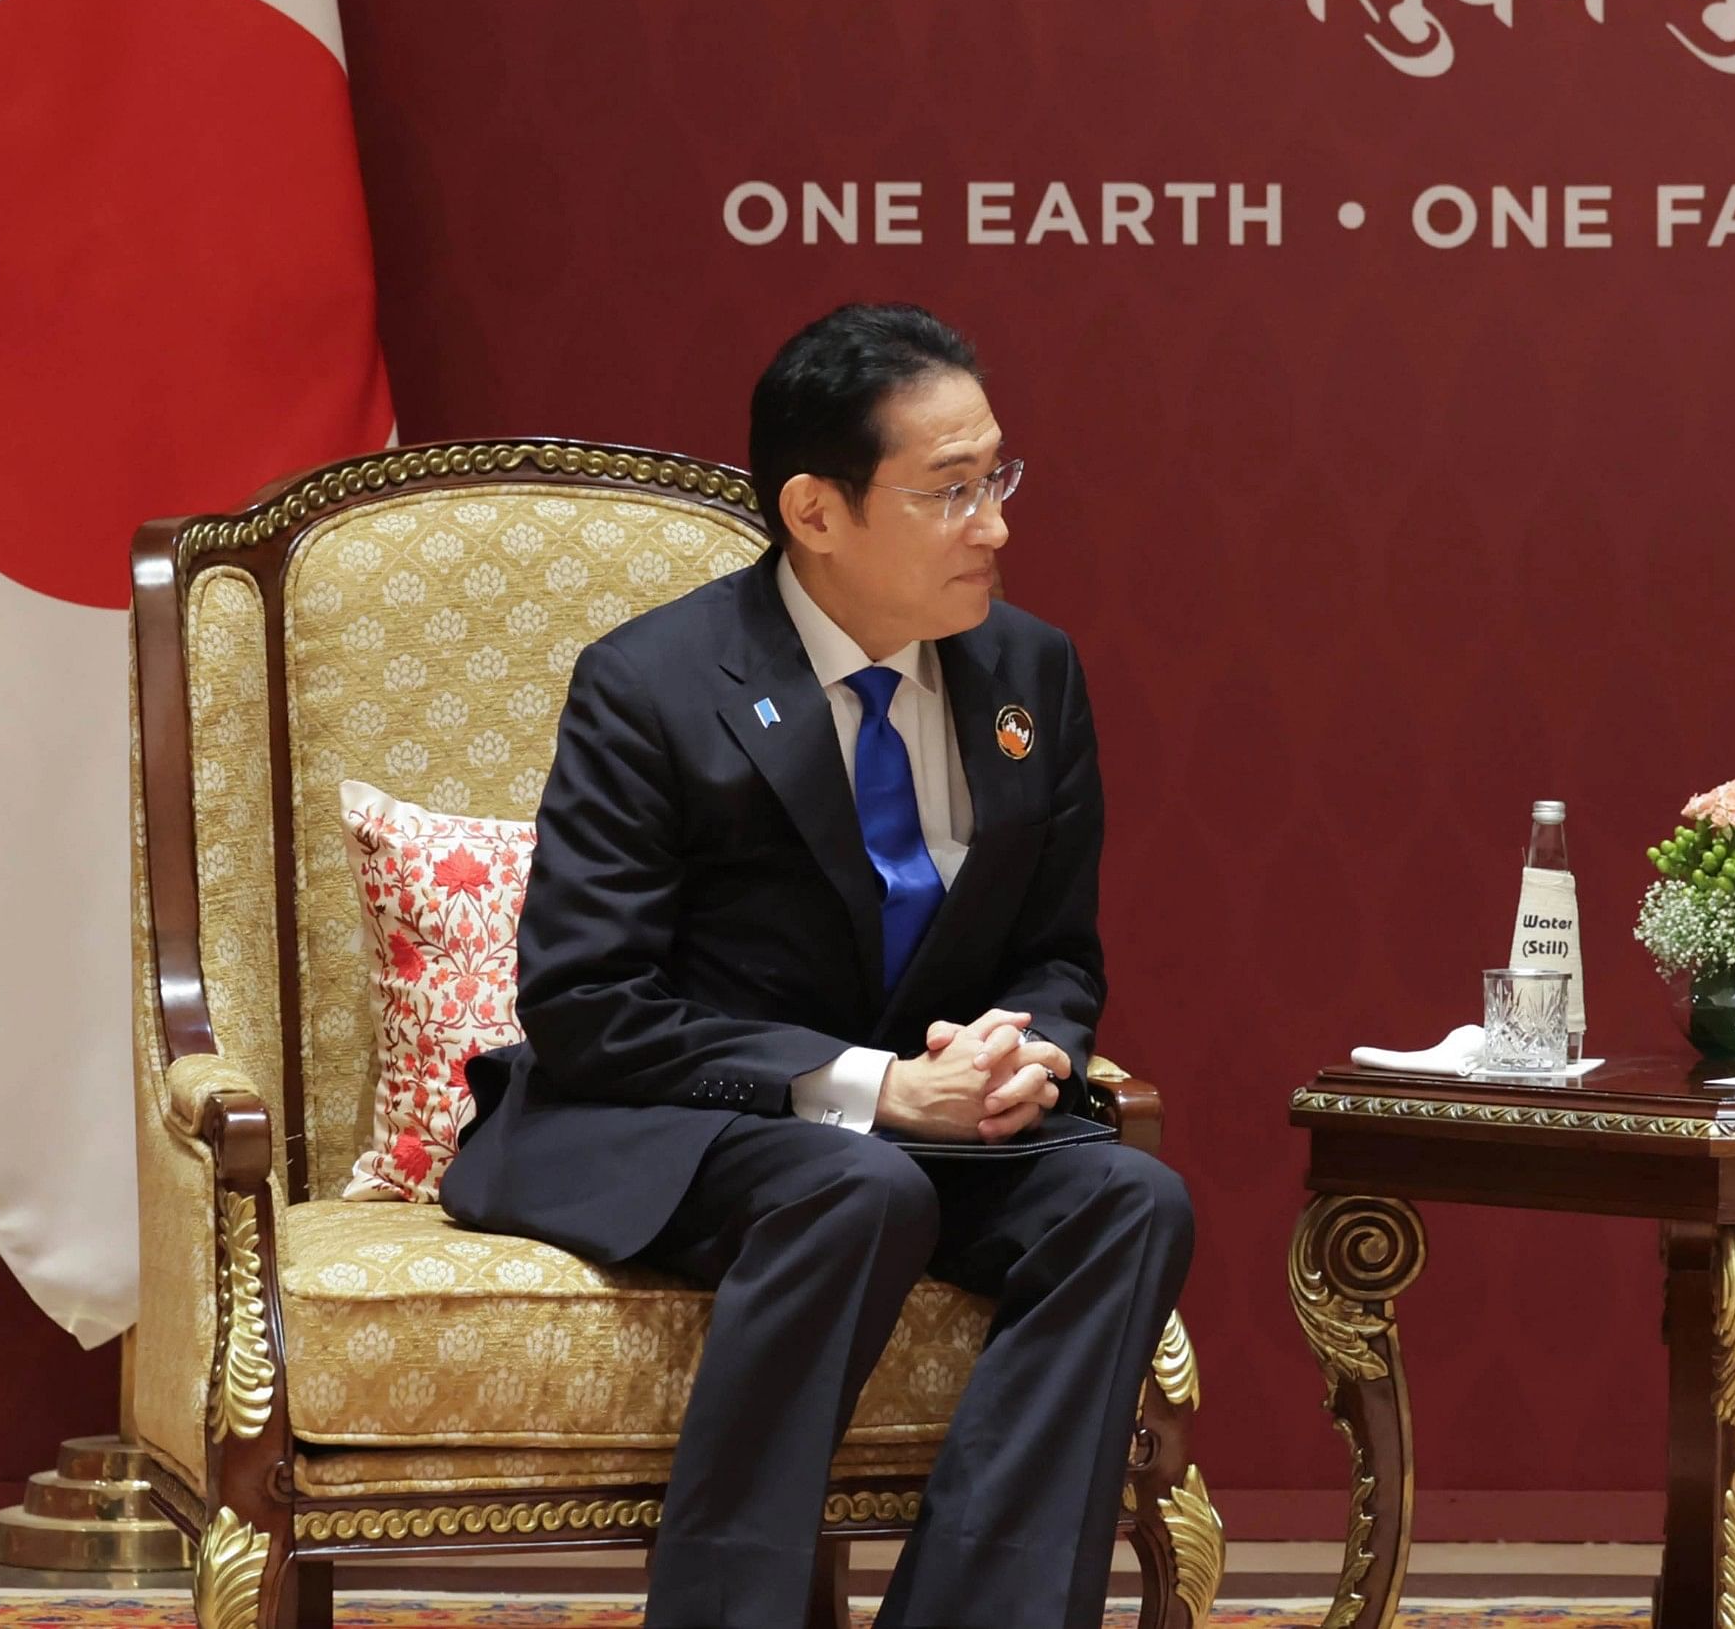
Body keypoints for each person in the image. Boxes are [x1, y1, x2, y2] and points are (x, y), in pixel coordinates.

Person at [445, 303, 1192, 1629]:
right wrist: (875, 1089)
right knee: (857, 1184)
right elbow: (587, 1001)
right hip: (683, 1122)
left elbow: (1056, 950)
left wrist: (1026, 1052)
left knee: (1127, 1199)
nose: (998, 525)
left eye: (998, 477)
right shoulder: (657, 685)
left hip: (920, 1134)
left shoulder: (1032, 675)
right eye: (951, 491)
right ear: (817, 509)